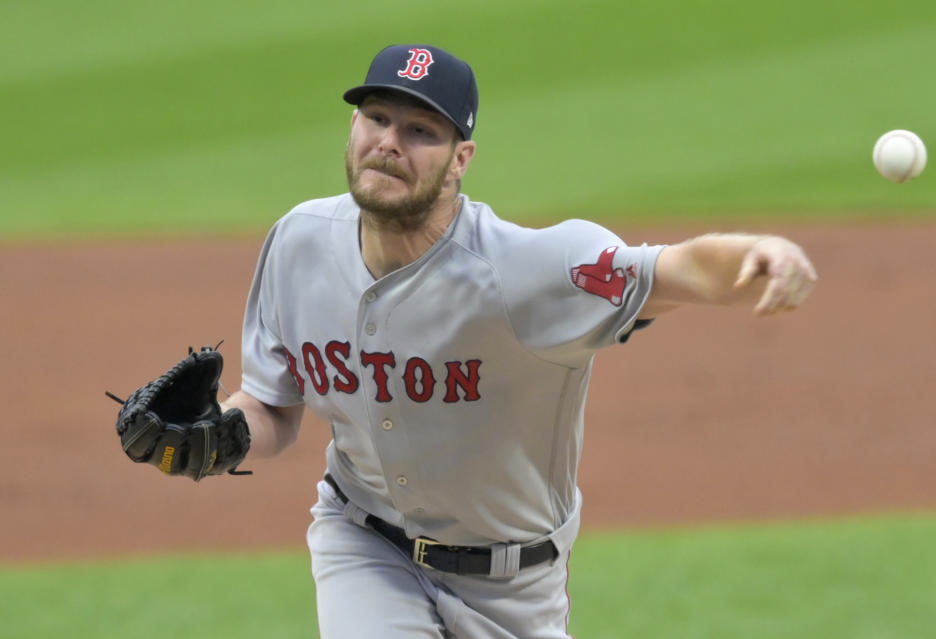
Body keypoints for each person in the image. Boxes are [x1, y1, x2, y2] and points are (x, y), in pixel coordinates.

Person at [222, 44, 817, 638]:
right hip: (365, 545)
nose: (390, 142)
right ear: (353, 125)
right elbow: (272, 406)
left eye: (421, 130)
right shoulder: (299, 243)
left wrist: (760, 253)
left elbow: (670, 270)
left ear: (461, 159)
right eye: (377, 118)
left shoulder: (523, 271)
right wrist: (222, 433)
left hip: (514, 585)